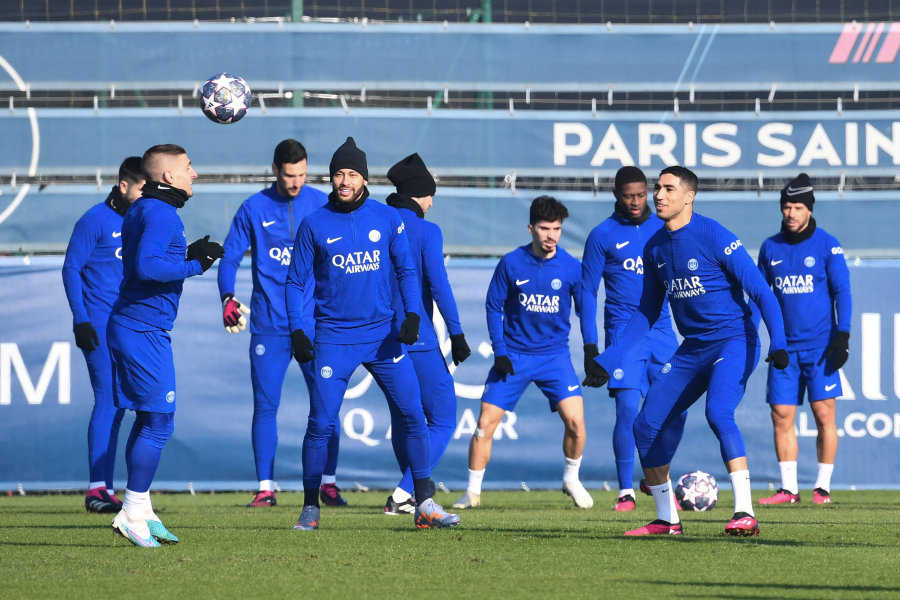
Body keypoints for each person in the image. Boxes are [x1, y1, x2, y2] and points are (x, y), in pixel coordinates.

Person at [584, 165, 789, 537]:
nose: (658, 195)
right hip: (693, 348)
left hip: (734, 341)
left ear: (688, 196)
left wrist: (779, 342)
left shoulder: (714, 234)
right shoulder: (655, 247)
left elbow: (760, 291)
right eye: (657, 189)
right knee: (644, 426)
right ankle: (667, 519)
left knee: (718, 412)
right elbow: (647, 311)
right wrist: (608, 359)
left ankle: (745, 512)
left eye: (667, 189)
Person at [285, 137, 459, 530]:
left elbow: (407, 272)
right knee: (321, 424)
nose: (344, 180)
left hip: (383, 339)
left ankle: (425, 504)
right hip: (333, 338)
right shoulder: (314, 224)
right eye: (338, 173)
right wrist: (298, 329)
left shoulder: (386, 218)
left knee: (415, 416)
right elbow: (295, 283)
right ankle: (310, 507)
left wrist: (413, 314)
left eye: (352, 174)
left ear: (364, 179)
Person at [217, 139, 346, 509]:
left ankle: (329, 484)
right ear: (275, 170)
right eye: (290, 175)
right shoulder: (253, 208)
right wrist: (227, 296)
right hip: (269, 324)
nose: (296, 182)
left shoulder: (322, 202)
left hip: (315, 325)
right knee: (265, 406)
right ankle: (265, 488)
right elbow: (229, 260)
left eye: (303, 174)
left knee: (326, 406)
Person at [107, 144, 224, 547]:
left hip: (139, 327)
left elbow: (149, 258)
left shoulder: (144, 207)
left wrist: (186, 253)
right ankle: (130, 510)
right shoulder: (161, 213)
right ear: (169, 177)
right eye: (189, 167)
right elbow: (148, 267)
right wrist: (197, 264)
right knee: (159, 422)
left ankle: (141, 508)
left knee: (150, 419)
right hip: (141, 330)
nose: (195, 173)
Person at [453, 195, 593, 510]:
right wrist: (500, 351)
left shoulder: (571, 267)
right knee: (484, 424)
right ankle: (472, 493)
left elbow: (586, 312)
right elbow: (493, 307)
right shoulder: (511, 263)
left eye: (557, 229)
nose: (551, 236)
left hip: (554, 358)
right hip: (514, 356)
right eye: (544, 228)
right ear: (530, 228)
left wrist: (591, 350)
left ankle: (571, 478)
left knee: (576, 423)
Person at [580, 166, 679, 512]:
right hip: (623, 334)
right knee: (626, 409)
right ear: (616, 195)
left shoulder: (664, 228)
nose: (636, 202)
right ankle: (625, 492)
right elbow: (588, 292)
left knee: (671, 411)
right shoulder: (602, 235)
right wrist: (591, 346)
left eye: (641, 195)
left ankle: (654, 478)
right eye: (628, 196)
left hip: (664, 331)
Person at [382, 153, 471, 515]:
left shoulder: (378, 221)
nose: (432, 202)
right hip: (417, 338)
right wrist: (458, 334)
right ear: (419, 194)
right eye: (430, 194)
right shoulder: (426, 230)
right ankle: (406, 493)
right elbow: (439, 285)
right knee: (443, 416)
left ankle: (415, 493)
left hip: (380, 339)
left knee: (405, 418)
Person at [756, 173, 851, 506]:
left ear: (809, 209)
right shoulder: (770, 247)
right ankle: (789, 489)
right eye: (786, 207)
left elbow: (842, 292)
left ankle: (822, 487)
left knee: (824, 415)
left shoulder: (827, 244)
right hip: (785, 351)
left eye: (797, 207)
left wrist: (843, 336)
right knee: (781, 415)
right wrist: (761, 338)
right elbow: (759, 295)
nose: (790, 213)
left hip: (821, 348)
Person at [62, 156, 145, 514]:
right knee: (108, 401)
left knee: (125, 406)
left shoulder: (141, 220)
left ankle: (108, 488)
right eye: (141, 188)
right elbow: (70, 268)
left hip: (129, 327)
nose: (145, 196)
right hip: (98, 326)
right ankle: (97, 489)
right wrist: (80, 319)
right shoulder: (94, 220)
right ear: (123, 185)